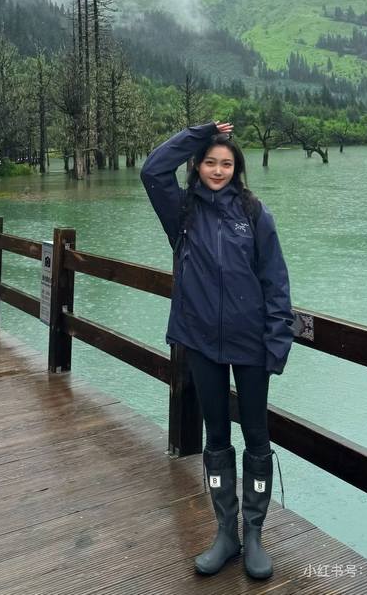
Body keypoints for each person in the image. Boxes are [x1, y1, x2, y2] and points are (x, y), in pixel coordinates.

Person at [140, 120, 294, 580]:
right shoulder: (182, 212)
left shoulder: (254, 213)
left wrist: (277, 341)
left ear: (237, 168)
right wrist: (200, 132)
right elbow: (152, 170)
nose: (218, 170)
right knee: (217, 438)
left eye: (226, 163)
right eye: (210, 162)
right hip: (202, 343)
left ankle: (255, 533)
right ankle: (226, 532)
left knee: (258, 439)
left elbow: (275, 280)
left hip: (251, 345)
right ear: (197, 165)